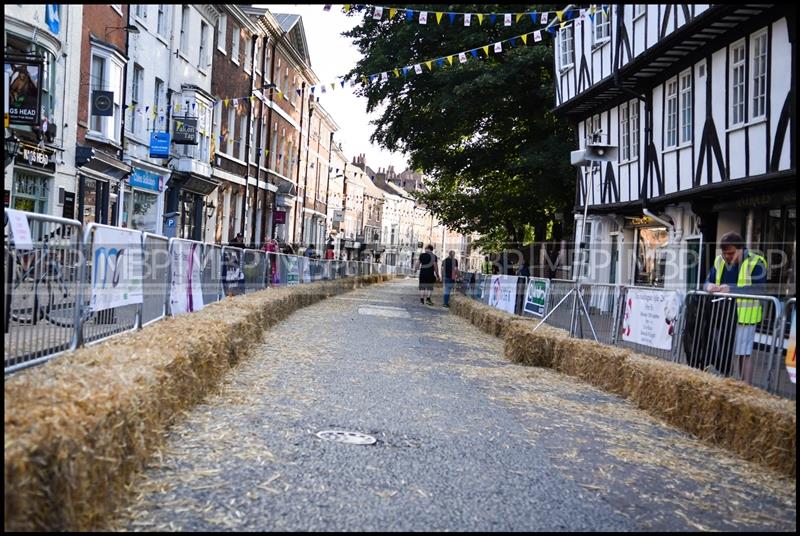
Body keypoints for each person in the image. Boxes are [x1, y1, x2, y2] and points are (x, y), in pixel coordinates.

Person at [704, 231, 768, 384]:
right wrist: (709, 286)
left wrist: (731, 289)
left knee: (743, 353)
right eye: (725, 253)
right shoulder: (719, 261)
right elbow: (707, 281)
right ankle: (728, 384)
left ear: (741, 249)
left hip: (745, 316)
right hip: (724, 314)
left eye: (731, 253)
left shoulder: (756, 262)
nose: (727, 257)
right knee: (725, 352)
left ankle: (745, 386)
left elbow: (759, 289)